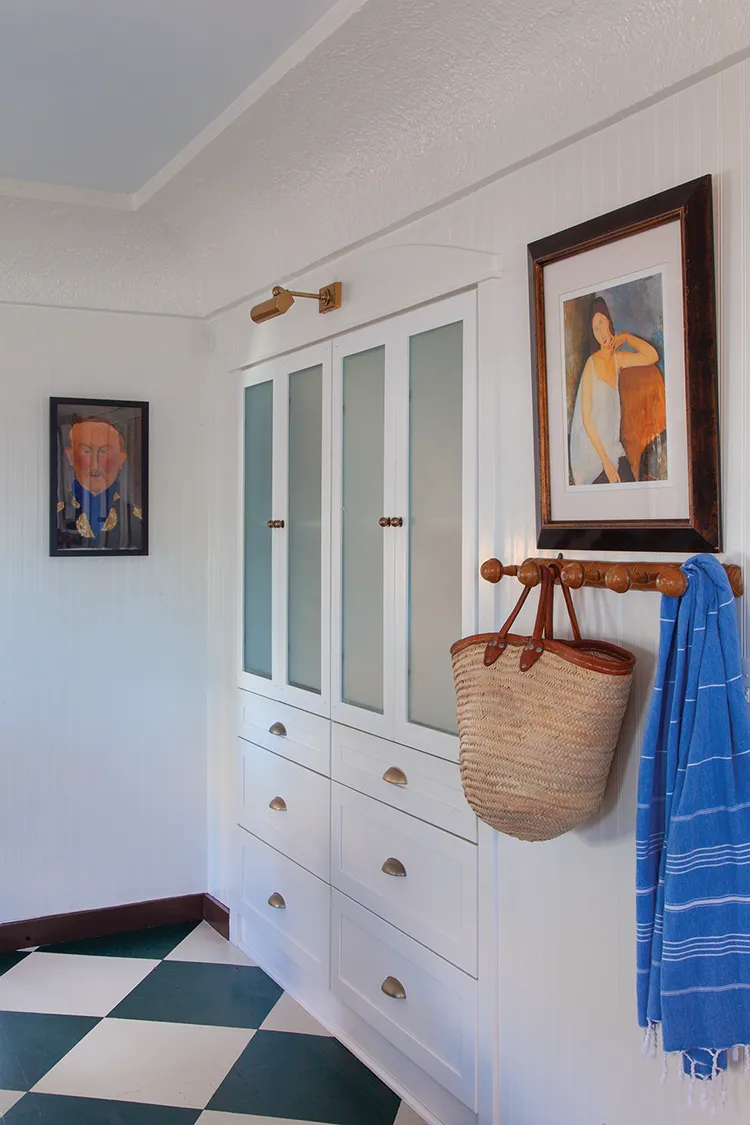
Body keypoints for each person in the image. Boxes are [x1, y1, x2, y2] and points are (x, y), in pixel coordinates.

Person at [568, 296, 659, 486]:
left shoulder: (618, 360)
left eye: (601, 322)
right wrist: (606, 463)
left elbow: (652, 356)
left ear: (609, 320)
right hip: (593, 453)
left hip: (613, 447)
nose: (601, 332)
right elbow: (586, 419)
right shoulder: (591, 364)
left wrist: (626, 337)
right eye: (596, 328)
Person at [55, 415, 143, 550]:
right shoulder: (55, 515)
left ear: (121, 458)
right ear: (70, 456)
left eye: (104, 452)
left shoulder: (137, 519)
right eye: (86, 451)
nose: (95, 465)